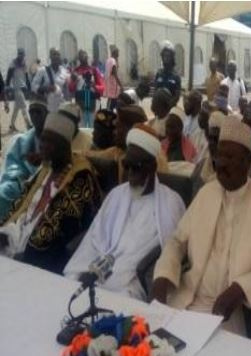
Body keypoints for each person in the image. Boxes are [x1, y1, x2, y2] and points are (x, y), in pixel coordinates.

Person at [152, 115, 251, 338]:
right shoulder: (207, 192)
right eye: (219, 155)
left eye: (229, 156)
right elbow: (177, 241)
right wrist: (164, 273)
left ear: (247, 162)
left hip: (235, 310)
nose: (220, 163)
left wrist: (241, 287)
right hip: (191, 298)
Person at [64, 126, 185, 300]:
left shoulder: (170, 202)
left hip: (131, 280)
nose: (129, 173)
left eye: (135, 167)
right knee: (70, 288)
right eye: (126, 165)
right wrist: (85, 270)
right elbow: (94, 237)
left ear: (152, 166)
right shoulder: (116, 194)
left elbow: (171, 250)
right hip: (96, 267)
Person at [0, 111, 101, 273]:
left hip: (43, 259)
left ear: (64, 145)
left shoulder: (80, 176)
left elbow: (63, 229)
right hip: (16, 243)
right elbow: (21, 209)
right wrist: (6, 232)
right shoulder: (47, 168)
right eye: (42, 139)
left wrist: (25, 254)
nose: (42, 145)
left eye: (49, 141)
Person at [0, 101, 48, 219]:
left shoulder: (54, 139)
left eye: (38, 112)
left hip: (45, 181)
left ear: (47, 114)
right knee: (3, 193)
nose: (35, 116)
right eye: (32, 112)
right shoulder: (22, 140)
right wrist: (20, 178)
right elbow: (13, 164)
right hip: (21, 181)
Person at [86, 104, 148, 183]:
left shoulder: (145, 161)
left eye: (118, 127)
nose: (114, 132)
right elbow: (96, 155)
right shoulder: (119, 151)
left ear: (131, 130)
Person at [68, 50, 105, 128]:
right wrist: (75, 81)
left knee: (92, 128)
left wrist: (94, 86)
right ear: (79, 58)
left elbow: (102, 87)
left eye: (85, 56)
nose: (84, 58)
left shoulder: (94, 70)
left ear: (87, 57)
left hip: (92, 104)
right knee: (82, 129)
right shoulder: (75, 71)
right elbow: (71, 88)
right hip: (80, 105)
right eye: (81, 57)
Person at [191, 110, 224, 196]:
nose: (212, 143)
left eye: (216, 139)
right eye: (210, 138)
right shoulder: (200, 167)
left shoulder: (234, 173)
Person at [31, 48, 69, 113]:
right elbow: (33, 86)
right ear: (50, 57)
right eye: (54, 54)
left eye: (58, 54)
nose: (56, 56)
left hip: (61, 108)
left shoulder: (64, 71)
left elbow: (67, 89)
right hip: (46, 108)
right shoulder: (43, 70)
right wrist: (46, 88)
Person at [6, 48, 32, 132]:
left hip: (22, 87)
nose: (21, 56)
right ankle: (28, 125)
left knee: (16, 108)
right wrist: (7, 88)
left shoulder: (24, 63)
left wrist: (29, 87)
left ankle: (12, 125)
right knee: (24, 106)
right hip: (16, 88)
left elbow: (26, 76)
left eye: (22, 54)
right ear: (18, 54)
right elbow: (8, 76)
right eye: (20, 54)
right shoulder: (13, 63)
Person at [154, 41, 182, 106]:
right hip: (159, 109)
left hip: (170, 109)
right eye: (164, 56)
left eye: (168, 56)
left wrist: (168, 106)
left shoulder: (176, 76)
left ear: (172, 58)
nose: (165, 58)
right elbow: (155, 92)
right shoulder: (159, 73)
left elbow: (177, 96)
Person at [183, 90, 205, 160]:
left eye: (189, 101)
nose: (186, 104)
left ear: (197, 104)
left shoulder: (202, 122)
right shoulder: (186, 118)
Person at [104, 45, 123, 111]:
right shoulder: (113, 61)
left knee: (111, 101)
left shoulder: (108, 60)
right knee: (112, 102)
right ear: (114, 52)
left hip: (109, 84)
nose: (118, 54)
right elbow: (115, 74)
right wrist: (121, 85)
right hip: (113, 85)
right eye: (118, 52)